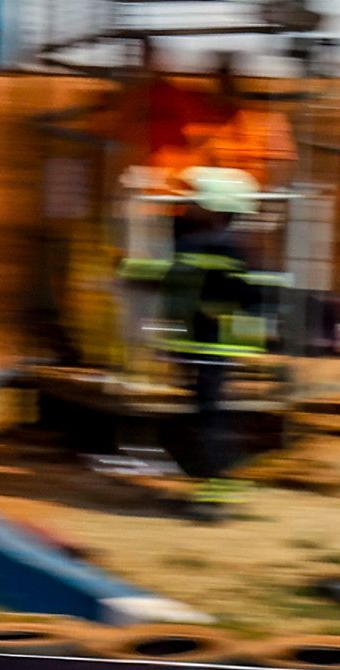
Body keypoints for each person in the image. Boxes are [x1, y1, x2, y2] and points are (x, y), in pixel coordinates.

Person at [128, 164, 278, 512]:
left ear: (215, 209)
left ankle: (215, 490)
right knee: (203, 414)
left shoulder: (210, 245)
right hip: (201, 345)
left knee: (207, 417)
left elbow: (170, 276)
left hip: (208, 346)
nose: (187, 205)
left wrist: (131, 269)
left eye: (195, 201)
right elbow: (253, 297)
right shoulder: (224, 245)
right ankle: (213, 484)